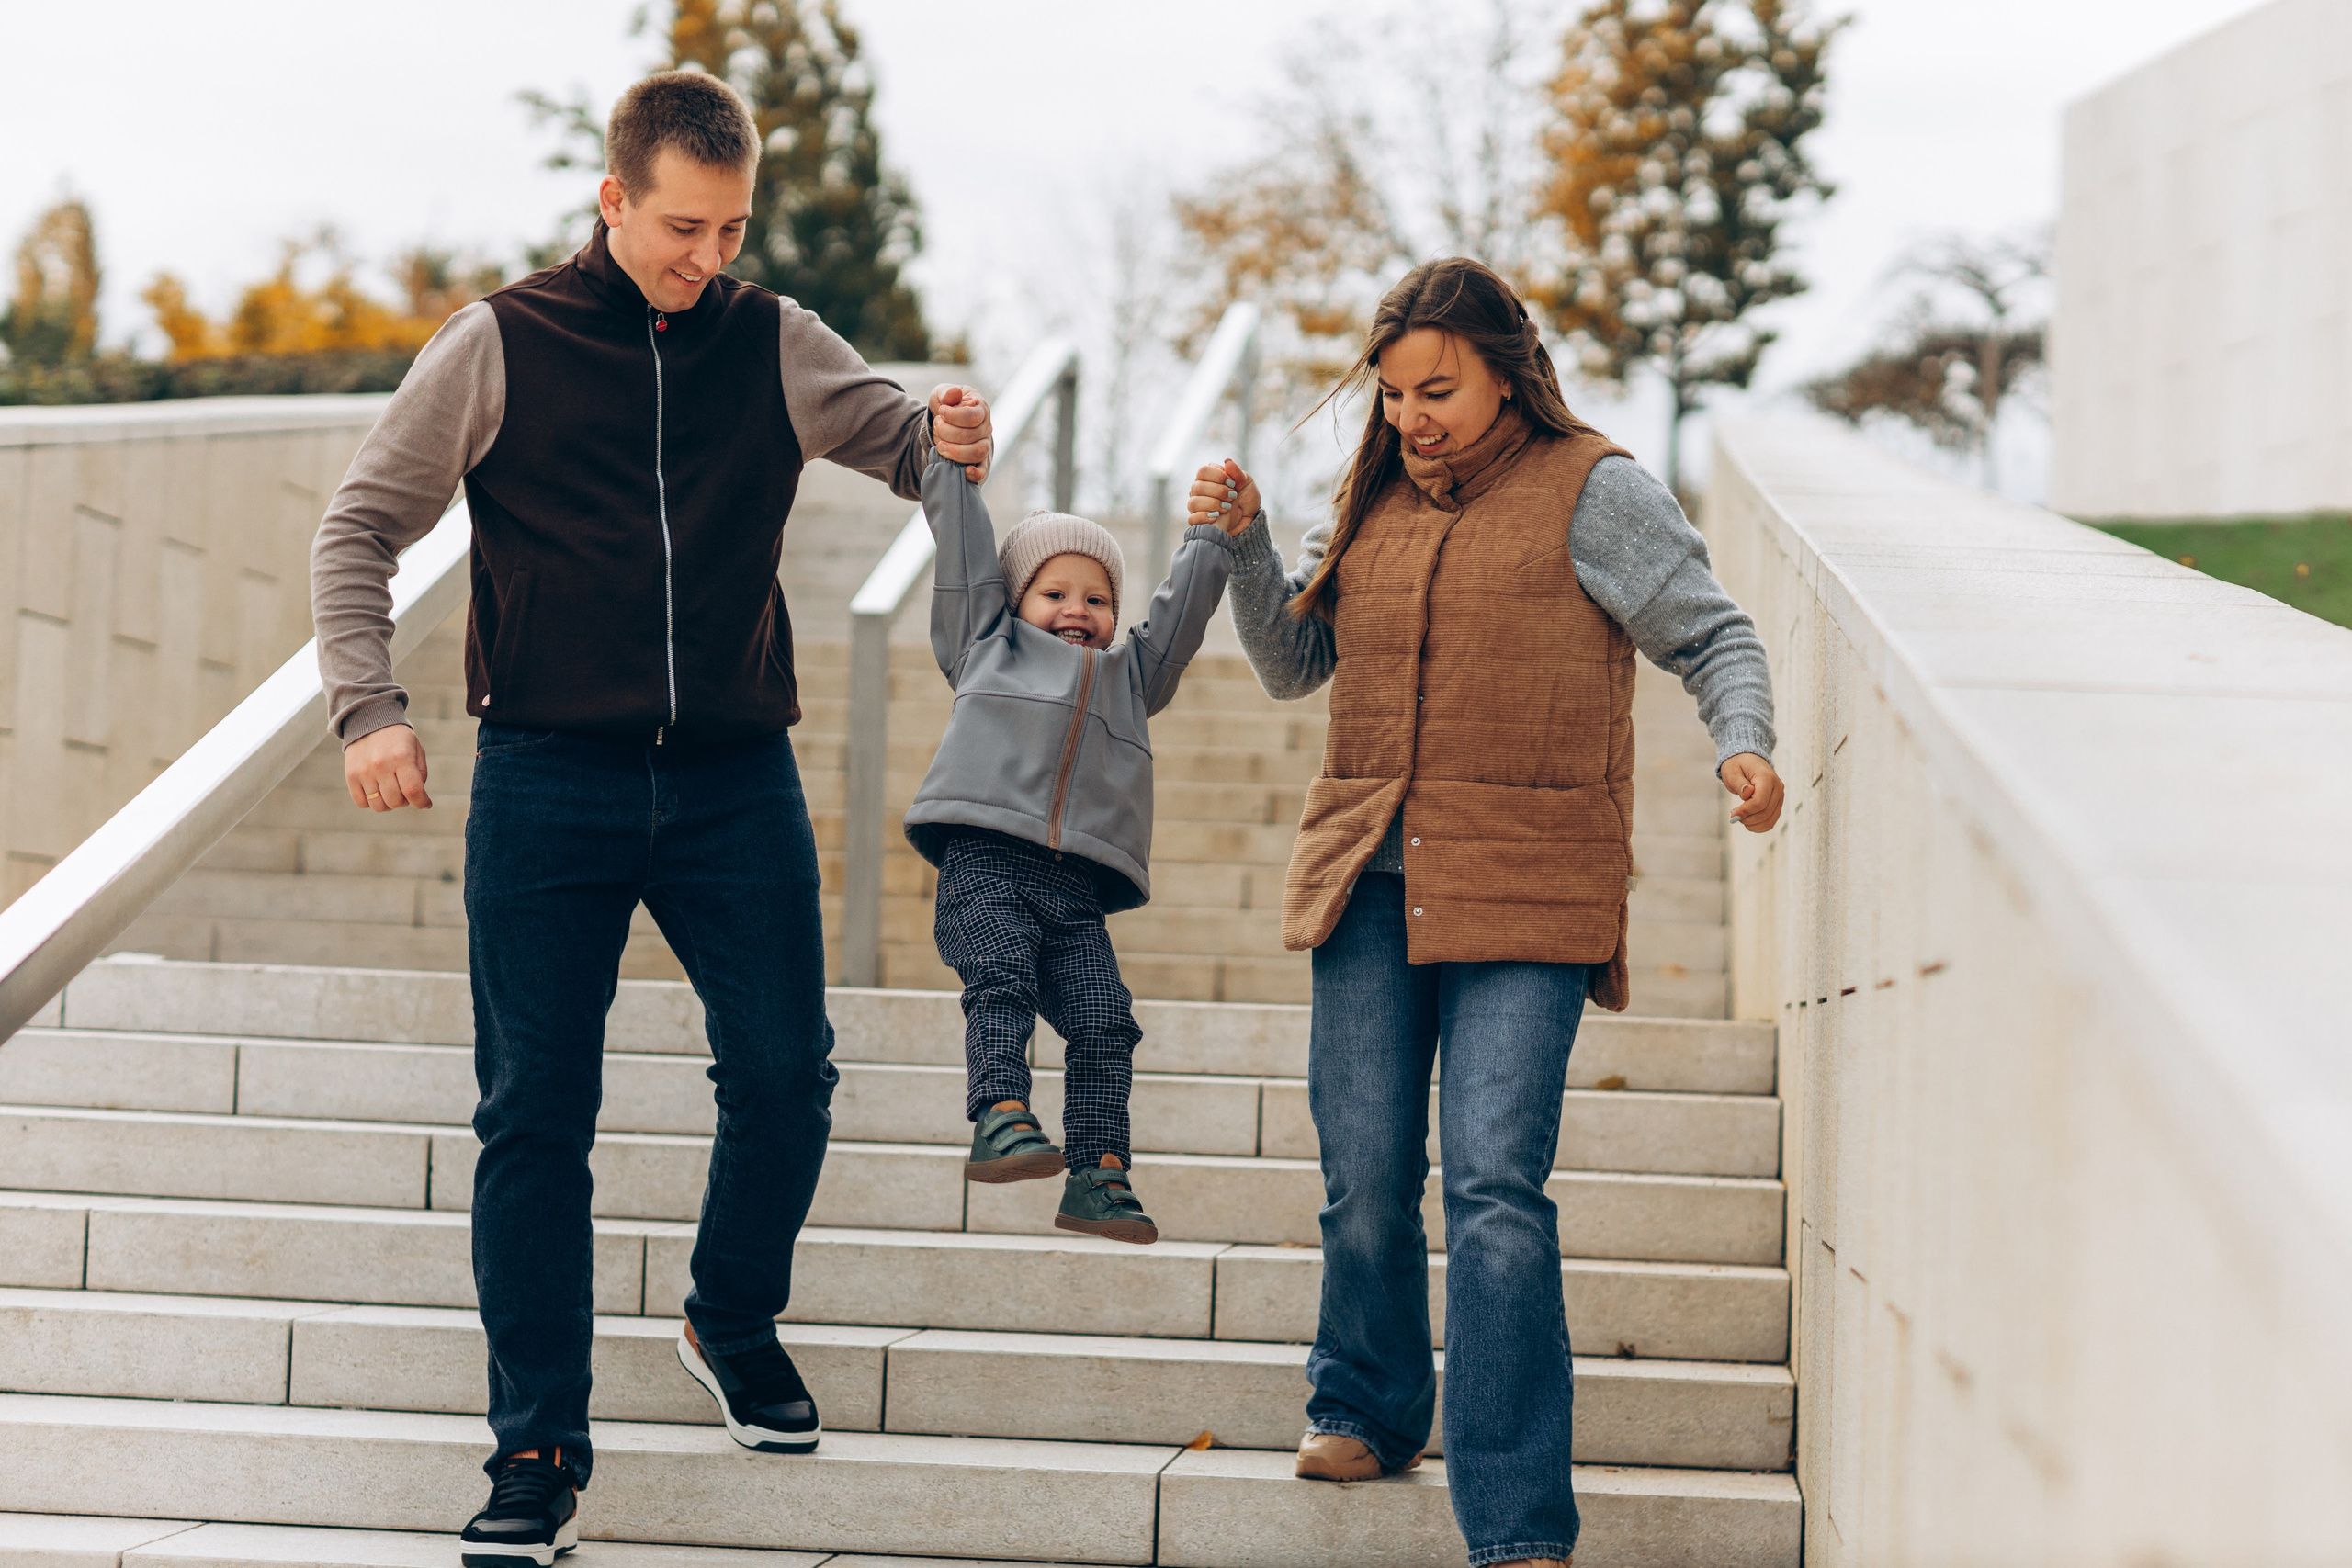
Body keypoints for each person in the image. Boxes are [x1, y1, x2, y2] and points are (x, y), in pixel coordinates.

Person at [307, 72, 995, 1567]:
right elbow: (360, 523)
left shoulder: (770, 339)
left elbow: (899, 444)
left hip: (730, 776)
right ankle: (535, 1452)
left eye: (734, 225)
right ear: (612, 200)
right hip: (549, 773)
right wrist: (369, 706)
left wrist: (952, 437)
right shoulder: (502, 342)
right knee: (534, 1116)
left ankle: (728, 1313)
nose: (711, 255)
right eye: (685, 225)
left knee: (784, 1070)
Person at [1193, 256, 1784, 1568]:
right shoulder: (1370, 498)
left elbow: (1715, 633)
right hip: (1368, 875)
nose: (1413, 414)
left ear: (1509, 369)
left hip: (1529, 885)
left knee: (1496, 1188)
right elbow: (1295, 666)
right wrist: (1241, 546)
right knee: (1362, 1174)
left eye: (1439, 387)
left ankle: (1518, 1519)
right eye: (1396, 392)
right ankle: (1366, 1400)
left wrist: (1743, 742)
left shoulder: (1597, 490)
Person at [902, 442, 1241, 1245]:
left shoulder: (1131, 678)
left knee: (1105, 1018)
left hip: (1076, 889)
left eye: (1097, 598)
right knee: (1003, 974)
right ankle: (1000, 1112)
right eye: (1053, 591)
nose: (1077, 609)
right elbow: (963, 553)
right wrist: (949, 468)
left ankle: (1098, 1171)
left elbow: (1182, 620)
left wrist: (1214, 536)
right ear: (1013, 600)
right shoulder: (983, 644)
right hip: (984, 862)